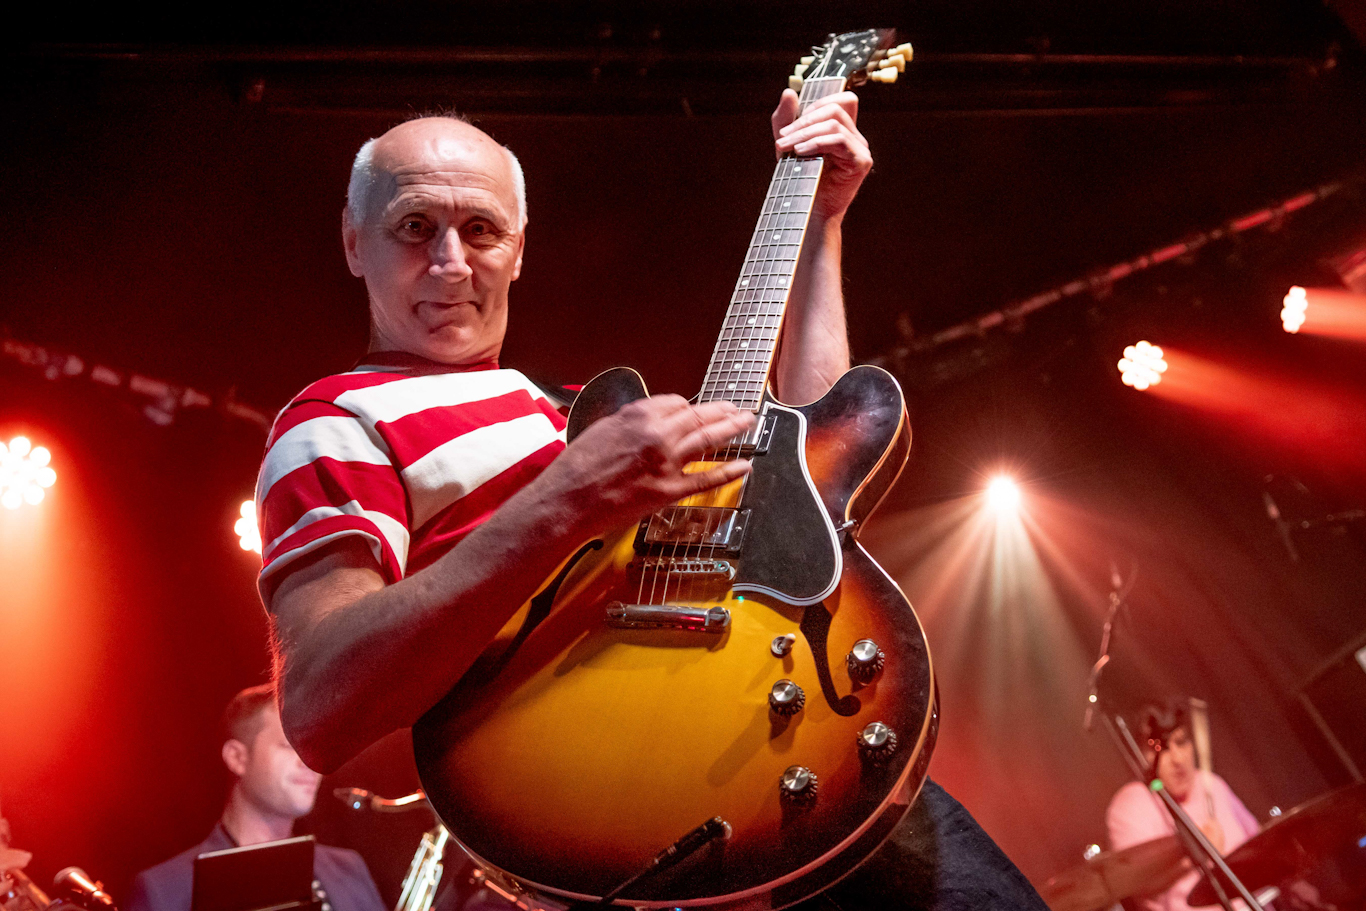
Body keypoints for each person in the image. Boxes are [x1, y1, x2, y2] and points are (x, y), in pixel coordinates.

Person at [256, 90, 1048, 910]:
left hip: (787, 733)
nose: (452, 261)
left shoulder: (572, 415)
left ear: (520, 250)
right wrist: (568, 498)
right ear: (355, 241)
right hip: (619, 799)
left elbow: (816, 461)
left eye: (482, 230)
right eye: (415, 226)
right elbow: (319, 705)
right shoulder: (334, 422)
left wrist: (820, 223)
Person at [126, 685, 386, 911]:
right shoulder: (164, 890)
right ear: (237, 757)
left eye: (311, 747)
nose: (309, 763)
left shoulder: (349, 868)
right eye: (288, 746)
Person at [1106, 702, 1260, 911]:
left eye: (1182, 742)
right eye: (1162, 748)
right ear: (1140, 754)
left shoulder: (1211, 784)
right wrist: (1195, 855)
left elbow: (1261, 846)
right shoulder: (1132, 804)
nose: (1178, 759)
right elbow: (1138, 886)